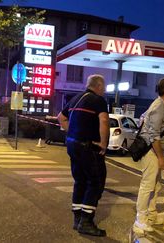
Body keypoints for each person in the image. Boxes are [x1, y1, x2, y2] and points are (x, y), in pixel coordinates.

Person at [57, 74, 109, 237]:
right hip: (88, 146)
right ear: (99, 86)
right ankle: (86, 222)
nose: (105, 89)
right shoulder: (98, 100)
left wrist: (72, 132)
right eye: (104, 86)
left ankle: (78, 218)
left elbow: (61, 117)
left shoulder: (76, 98)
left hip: (72, 144)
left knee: (80, 181)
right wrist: (103, 143)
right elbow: (104, 121)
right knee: (95, 182)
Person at [133, 77, 164, 235]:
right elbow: (153, 136)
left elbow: (143, 120)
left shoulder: (161, 105)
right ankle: (141, 220)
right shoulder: (159, 106)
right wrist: (160, 157)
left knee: (156, 185)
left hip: (154, 150)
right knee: (147, 186)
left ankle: (151, 215)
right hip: (151, 152)